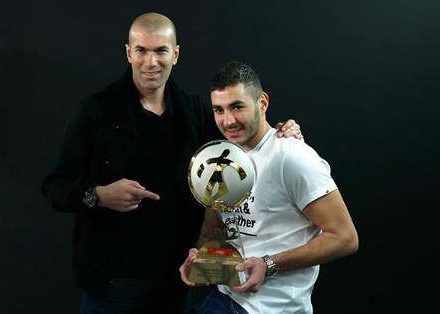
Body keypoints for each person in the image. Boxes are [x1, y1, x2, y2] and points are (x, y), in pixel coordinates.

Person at [41, 13, 302, 313]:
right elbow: (54, 187)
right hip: (112, 283)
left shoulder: (194, 111)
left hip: (177, 280)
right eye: (141, 50)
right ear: (129, 53)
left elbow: (240, 136)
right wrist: (97, 195)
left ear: (175, 55)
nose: (151, 62)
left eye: (161, 51)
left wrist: (281, 130)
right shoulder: (93, 112)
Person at [180, 61, 359, 314]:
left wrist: (269, 264)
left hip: (270, 307)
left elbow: (345, 238)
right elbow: (216, 225)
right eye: (218, 110)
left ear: (262, 103)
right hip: (223, 297)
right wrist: (202, 259)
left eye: (237, 107)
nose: (228, 120)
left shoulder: (292, 156)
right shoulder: (224, 156)